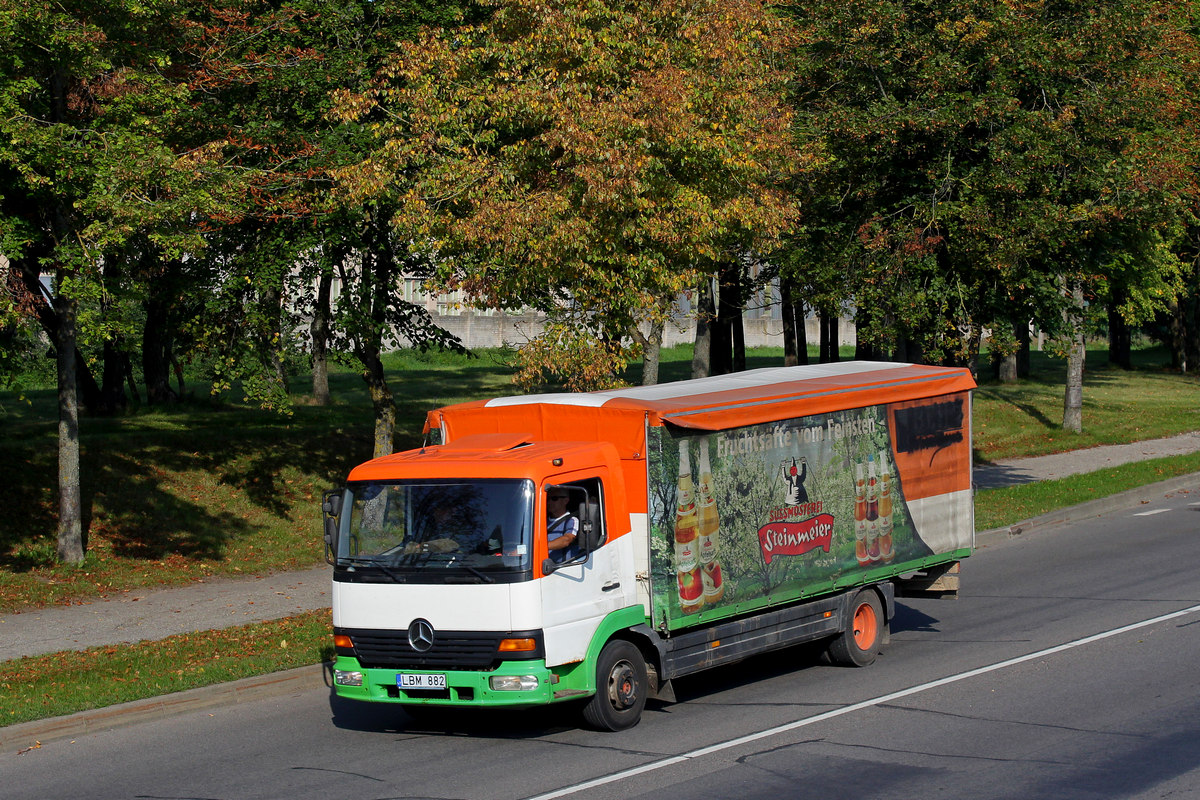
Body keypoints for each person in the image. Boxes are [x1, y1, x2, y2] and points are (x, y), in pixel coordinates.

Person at [546, 491, 580, 563]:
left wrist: (539, 548)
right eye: (547, 498)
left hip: (563, 568)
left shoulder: (571, 520)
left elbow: (566, 540)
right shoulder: (542, 521)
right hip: (542, 567)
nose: (549, 502)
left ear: (565, 501)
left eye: (554, 498)